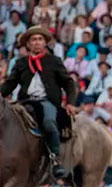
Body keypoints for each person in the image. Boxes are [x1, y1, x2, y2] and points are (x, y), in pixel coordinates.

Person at [0, 26, 78, 178]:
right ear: (28, 45)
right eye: (33, 40)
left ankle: (55, 159)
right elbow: (10, 84)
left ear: (44, 43)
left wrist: (70, 102)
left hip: (46, 102)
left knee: (49, 122)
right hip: (24, 102)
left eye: (40, 39)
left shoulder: (54, 61)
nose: (36, 42)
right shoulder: (21, 63)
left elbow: (68, 83)